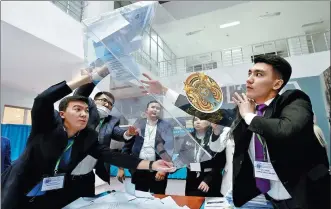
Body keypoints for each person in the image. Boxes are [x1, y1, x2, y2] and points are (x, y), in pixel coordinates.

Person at [140, 54, 330, 209]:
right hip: (266, 196)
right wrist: (164, 90)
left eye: (259, 74)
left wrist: (249, 116)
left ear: (277, 84)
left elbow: (285, 130)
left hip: (304, 195)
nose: (249, 79)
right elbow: (204, 111)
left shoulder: (293, 100)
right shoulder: (241, 111)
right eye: (249, 73)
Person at [1, 66, 174, 209]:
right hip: (21, 186)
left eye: (85, 110)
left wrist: (152, 164)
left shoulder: (88, 137)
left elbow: (113, 156)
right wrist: (86, 79)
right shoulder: (47, 125)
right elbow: (43, 100)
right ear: (62, 114)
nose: (83, 114)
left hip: (52, 190)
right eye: (77, 109)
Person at [67, 69, 138, 201]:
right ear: (93, 101)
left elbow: (119, 133)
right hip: (67, 173)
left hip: (90, 175)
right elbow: (79, 95)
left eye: (110, 104)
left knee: (89, 202)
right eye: (103, 101)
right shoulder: (81, 115)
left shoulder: (111, 120)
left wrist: (128, 133)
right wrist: (99, 75)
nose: (107, 104)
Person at [119, 100, 174, 194]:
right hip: (139, 169)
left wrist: (164, 170)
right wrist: (121, 167)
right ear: (146, 110)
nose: (155, 109)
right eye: (153, 107)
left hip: (158, 170)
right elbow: (127, 145)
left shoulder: (166, 126)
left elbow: (170, 148)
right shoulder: (138, 124)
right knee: (139, 198)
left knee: (158, 198)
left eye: (158, 108)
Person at [176, 116, 225, 197]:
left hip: (210, 180)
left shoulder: (215, 137)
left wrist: (207, 180)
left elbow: (219, 162)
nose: (198, 122)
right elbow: (182, 156)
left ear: (209, 121)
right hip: (192, 180)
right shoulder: (188, 137)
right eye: (195, 120)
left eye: (201, 119)